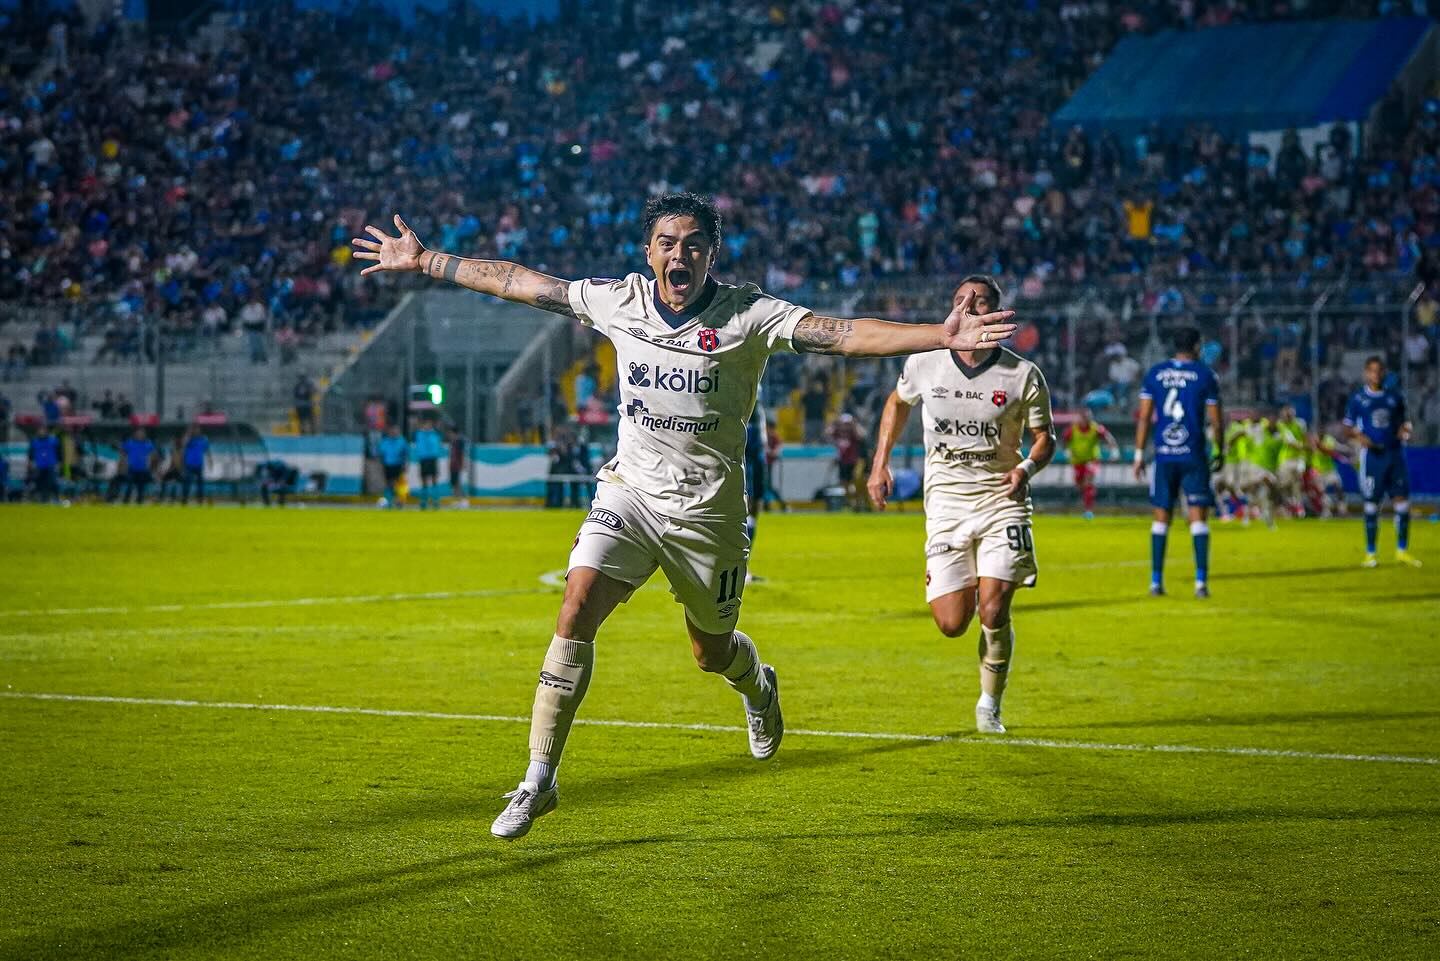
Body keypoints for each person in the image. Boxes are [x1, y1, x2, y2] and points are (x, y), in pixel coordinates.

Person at [352, 192, 1017, 840]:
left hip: (709, 515)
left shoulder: (747, 314)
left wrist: (939, 334)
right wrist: (427, 260)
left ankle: (757, 686)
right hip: (630, 495)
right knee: (575, 607)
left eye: (694, 245)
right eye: (667, 243)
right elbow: (524, 283)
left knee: (711, 651)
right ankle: (538, 777)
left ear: (711, 255)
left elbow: (840, 334)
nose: (680, 254)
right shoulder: (619, 302)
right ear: (648, 253)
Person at [867, 276, 1055, 735]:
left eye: (980, 301)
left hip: (1002, 500)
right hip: (946, 504)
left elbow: (1045, 438)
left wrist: (1025, 469)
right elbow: (897, 402)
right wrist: (880, 462)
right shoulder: (925, 362)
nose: (969, 306)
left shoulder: (1022, 374)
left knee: (993, 610)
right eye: (960, 300)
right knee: (952, 623)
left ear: (997, 312)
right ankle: (966, 587)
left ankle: (990, 703)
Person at [1133, 327, 1223, 599]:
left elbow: (1144, 417)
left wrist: (1139, 454)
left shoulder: (1155, 374)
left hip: (1164, 455)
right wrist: (1219, 450)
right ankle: (1200, 583)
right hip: (1193, 454)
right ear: (1196, 346)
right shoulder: (1205, 375)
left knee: (1161, 519)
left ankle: (1156, 582)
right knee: (1198, 519)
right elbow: (1216, 420)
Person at [1345, 357, 1420, 568]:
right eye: (1372, 371)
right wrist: (1361, 438)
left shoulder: (1394, 397)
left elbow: (1405, 423)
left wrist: (1406, 431)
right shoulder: (1358, 399)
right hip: (1372, 458)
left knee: (1402, 504)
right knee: (1371, 505)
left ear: (1384, 372)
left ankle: (1402, 551)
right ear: (1366, 373)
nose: (1376, 374)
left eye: (1379, 370)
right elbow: (1348, 427)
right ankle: (1371, 554)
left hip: (1394, 455)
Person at [1062, 408, 1118, 519]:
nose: (1085, 420)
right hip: (1077, 460)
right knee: (1080, 485)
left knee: (1088, 482)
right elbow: (1064, 440)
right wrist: (1066, 451)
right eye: (1083, 417)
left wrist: (1114, 451)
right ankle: (1087, 499)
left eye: (1087, 417)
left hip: (1092, 459)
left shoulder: (1096, 428)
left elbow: (1109, 438)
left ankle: (1088, 511)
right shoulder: (1072, 429)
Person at [411, 417, 445, 510]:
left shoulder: (436, 434)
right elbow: (413, 430)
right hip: (423, 459)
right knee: (424, 480)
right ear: (423, 425)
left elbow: (441, 432)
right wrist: (413, 423)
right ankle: (424, 501)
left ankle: (435, 501)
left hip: (433, 458)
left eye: (429, 424)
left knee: (434, 479)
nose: (427, 426)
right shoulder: (419, 434)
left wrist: (440, 425)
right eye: (426, 424)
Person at [119, 428, 157, 505]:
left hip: (143, 469)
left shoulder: (148, 443)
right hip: (131, 469)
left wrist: (150, 464)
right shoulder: (129, 443)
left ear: (145, 435)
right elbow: (122, 453)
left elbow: (154, 455)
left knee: (141, 488)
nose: (140, 435)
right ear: (135, 434)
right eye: (139, 433)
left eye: (142, 433)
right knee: (129, 486)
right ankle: (125, 502)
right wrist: (123, 465)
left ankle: (139, 502)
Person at [27, 423, 62, 503]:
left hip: (51, 464)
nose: (42, 432)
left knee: (53, 482)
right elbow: (30, 454)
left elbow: (59, 452)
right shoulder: (34, 441)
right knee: (39, 483)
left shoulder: (54, 440)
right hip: (39, 465)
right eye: (40, 430)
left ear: (47, 431)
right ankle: (41, 499)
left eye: (43, 430)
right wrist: (31, 462)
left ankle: (55, 498)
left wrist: (59, 463)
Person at [377, 423, 408, 508]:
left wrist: (405, 464)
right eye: (392, 430)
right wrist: (381, 465)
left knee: (397, 484)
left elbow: (405, 454)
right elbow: (381, 454)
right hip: (387, 465)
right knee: (388, 483)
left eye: (395, 430)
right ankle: (389, 501)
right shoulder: (385, 441)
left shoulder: (402, 441)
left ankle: (399, 501)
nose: (394, 432)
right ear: (389, 431)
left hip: (398, 465)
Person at [180, 426, 211, 505]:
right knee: (187, 483)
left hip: (199, 465)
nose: (196, 431)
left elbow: (207, 451)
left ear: (200, 430)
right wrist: (189, 434)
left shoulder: (203, 439)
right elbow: (183, 444)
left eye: (197, 429)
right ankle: (184, 500)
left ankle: (200, 500)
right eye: (194, 429)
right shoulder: (188, 439)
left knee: (200, 484)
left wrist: (210, 460)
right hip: (189, 465)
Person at [447, 425, 468, 507]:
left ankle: (463, 500)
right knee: (454, 484)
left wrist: (463, 464)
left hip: (457, 465)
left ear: (453, 433)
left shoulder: (459, 442)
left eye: (450, 433)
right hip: (453, 465)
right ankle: (457, 500)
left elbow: (462, 454)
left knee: (457, 483)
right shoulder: (453, 442)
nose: (449, 435)